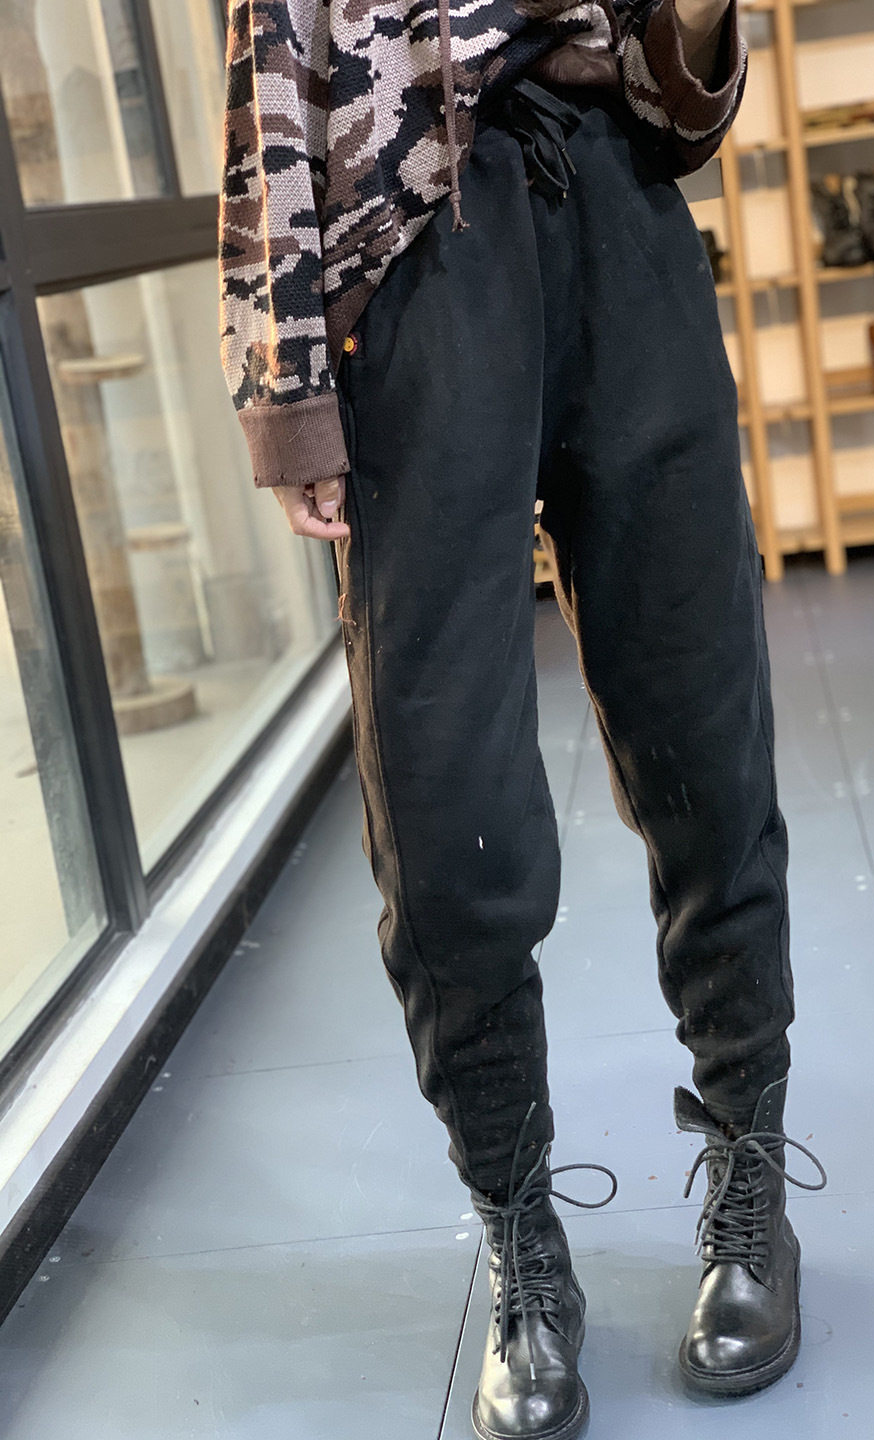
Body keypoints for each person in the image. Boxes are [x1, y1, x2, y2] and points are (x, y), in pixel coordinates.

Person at [219, 1, 825, 1436]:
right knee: (443, 795)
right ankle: (518, 1229)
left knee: (704, 729)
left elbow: (682, 100)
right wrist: (286, 388)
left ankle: (751, 1172)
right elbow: (266, 76)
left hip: (621, 214)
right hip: (410, 264)